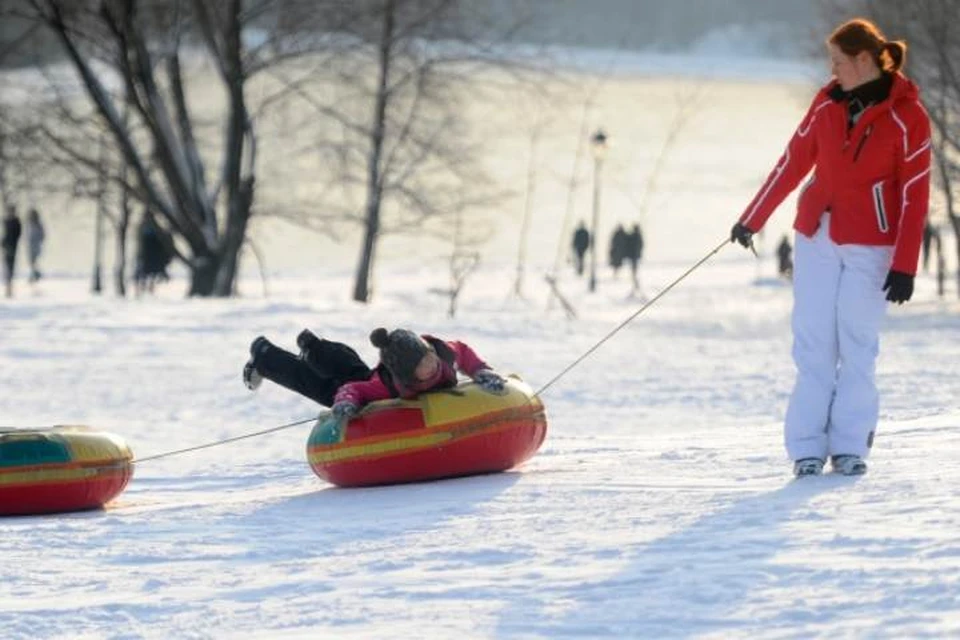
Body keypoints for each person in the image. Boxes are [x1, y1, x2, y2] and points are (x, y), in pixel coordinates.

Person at [729, 18, 930, 478]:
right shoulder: (826, 104)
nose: (832, 70)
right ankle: (806, 448)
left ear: (863, 61)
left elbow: (915, 194)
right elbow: (793, 160)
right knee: (814, 343)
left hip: (871, 247)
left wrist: (905, 265)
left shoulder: (908, 118)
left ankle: (850, 445)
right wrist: (752, 218)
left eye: (838, 61)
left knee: (857, 345)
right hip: (816, 236)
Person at [242, 327, 507, 421]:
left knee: (354, 370)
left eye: (428, 356)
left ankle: (314, 349)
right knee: (330, 388)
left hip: (372, 376)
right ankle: (266, 358)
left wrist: (480, 371)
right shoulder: (388, 385)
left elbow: (463, 351)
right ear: (408, 375)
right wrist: (345, 402)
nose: (431, 364)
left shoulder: (443, 355)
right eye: (422, 365)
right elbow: (355, 390)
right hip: (371, 393)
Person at [2, 205, 22, 299]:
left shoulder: (16, 222)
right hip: (7, 247)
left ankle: (9, 288)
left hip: (12, 247)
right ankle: (8, 288)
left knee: (10, 267)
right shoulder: (6, 221)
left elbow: (17, 235)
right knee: (7, 267)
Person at [623, 223, 644, 292]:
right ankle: (635, 282)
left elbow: (640, 246)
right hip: (633, 256)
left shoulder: (636, 236)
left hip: (634, 256)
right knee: (634, 270)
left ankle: (635, 282)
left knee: (634, 270)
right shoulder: (637, 236)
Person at [26, 208, 45, 283]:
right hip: (31, 245)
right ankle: (34, 274)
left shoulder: (38, 224)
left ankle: (35, 275)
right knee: (32, 261)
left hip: (36, 245)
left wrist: (37, 240)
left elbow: (42, 235)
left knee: (33, 261)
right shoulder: (29, 224)